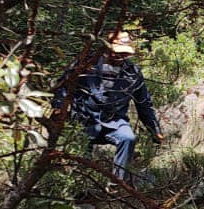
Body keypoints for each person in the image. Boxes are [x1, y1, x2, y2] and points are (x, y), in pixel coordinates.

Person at [58, 30, 163, 184]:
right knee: (80, 157)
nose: (120, 56)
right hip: (83, 121)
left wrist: (154, 130)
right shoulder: (86, 64)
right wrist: (58, 108)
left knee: (128, 138)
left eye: (125, 53)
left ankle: (117, 184)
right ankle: (79, 185)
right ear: (107, 49)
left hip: (114, 121)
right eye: (117, 52)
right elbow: (63, 86)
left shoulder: (133, 73)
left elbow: (144, 104)